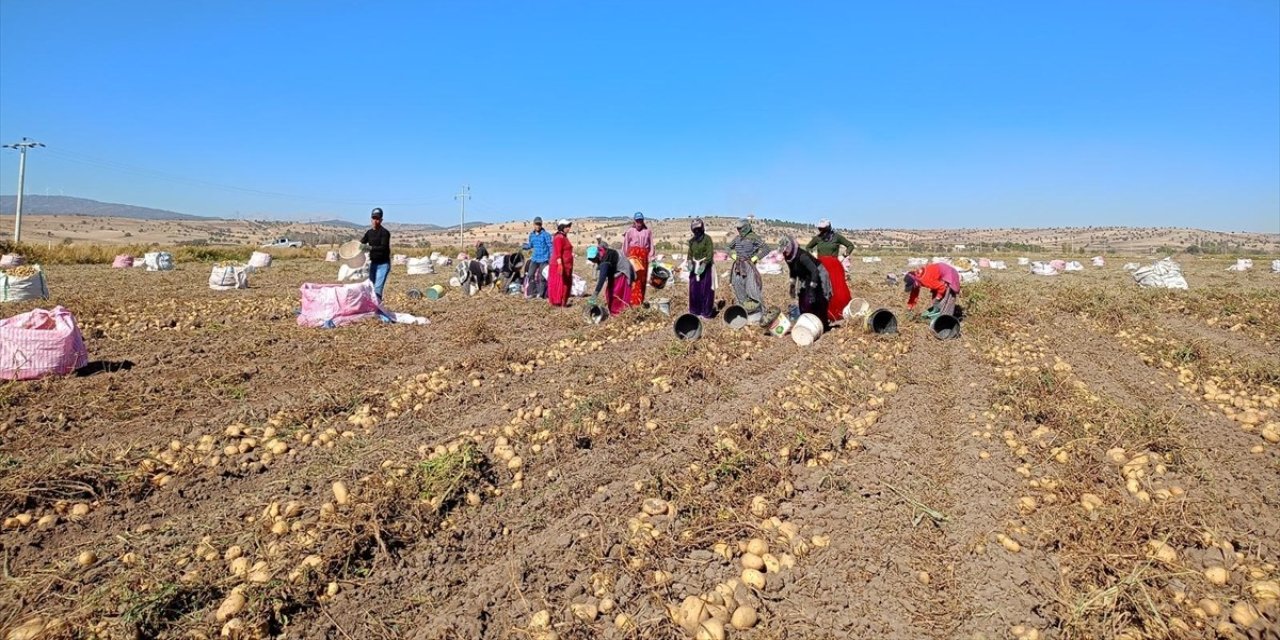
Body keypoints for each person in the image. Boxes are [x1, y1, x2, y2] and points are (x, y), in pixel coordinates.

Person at [805, 219, 854, 322]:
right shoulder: (818, 238)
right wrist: (813, 255)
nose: (821, 230)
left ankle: (838, 311)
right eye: (820, 228)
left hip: (834, 266)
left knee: (837, 287)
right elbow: (808, 247)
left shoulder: (837, 237)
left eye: (823, 228)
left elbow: (850, 245)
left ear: (828, 227)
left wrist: (843, 256)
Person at [780, 235, 832, 329]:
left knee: (820, 297)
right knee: (803, 297)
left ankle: (823, 323)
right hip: (805, 275)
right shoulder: (788, 257)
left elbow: (814, 271)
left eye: (785, 250)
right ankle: (807, 321)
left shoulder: (802, 256)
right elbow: (792, 271)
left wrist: (812, 289)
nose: (784, 253)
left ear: (790, 247)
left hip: (817, 273)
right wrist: (792, 286)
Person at [727, 218, 765, 312]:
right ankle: (743, 310)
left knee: (752, 288)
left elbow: (766, 249)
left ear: (746, 227)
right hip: (738, 266)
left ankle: (760, 311)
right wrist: (732, 254)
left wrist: (756, 257)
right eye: (738, 228)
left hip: (749, 265)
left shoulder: (754, 237)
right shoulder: (737, 238)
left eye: (741, 228)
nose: (739, 230)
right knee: (738, 285)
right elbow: (728, 247)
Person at [586, 242, 634, 316]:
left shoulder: (605, 261)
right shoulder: (601, 251)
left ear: (597, 255)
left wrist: (595, 295)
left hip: (622, 272)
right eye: (591, 259)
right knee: (609, 293)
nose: (592, 261)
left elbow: (602, 279)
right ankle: (616, 311)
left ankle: (619, 313)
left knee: (616, 294)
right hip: (615, 270)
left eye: (593, 259)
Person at [622, 212, 654, 306]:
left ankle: (640, 301)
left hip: (643, 258)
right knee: (634, 279)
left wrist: (651, 257)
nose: (639, 223)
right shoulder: (630, 231)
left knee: (642, 279)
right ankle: (632, 302)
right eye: (637, 221)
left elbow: (651, 245)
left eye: (640, 220)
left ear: (643, 221)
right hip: (633, 258)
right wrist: (625, 258)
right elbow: (625, 245)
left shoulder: (647, 231)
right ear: (634, 221)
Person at [686, 218, 716, 318]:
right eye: (695, 230)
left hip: (706, 268)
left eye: (698, 229)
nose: (697, 231)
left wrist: (704, 264)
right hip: (695, 267)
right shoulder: (691, 241)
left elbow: (710, 253)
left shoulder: (707, 239)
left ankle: (706, 312)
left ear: (702, 228)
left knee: (706, 290)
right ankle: (695, 311)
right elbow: (690, 254)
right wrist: (689, 262)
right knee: (694, 290)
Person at [360, 207, 391, 301]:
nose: (375, 221)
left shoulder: (385, 233)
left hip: (383, 264)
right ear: (371, 219)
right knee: (371, 287)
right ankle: (371, 307)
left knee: (377, 288)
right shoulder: (369, 233)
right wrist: (357, 246)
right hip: (373, 263)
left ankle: (377, 309)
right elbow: (362, 243)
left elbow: (383, 247)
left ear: (381, 220)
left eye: (377, 219)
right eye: (374, 218)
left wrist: (369, 248)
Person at [548, 219, 574, 307]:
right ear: (562, 227)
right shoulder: (559, 237)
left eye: (569, 226)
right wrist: (560, 264)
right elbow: (558, 253)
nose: (569, 228)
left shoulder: (564, 237)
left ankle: (563, 302)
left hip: (566, 265)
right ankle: (557, 302)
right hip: (559, 265)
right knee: (560, 284)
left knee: (566, 283)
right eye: (567, 227)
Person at [525, 217, 553, 299]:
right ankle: (533, 292)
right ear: (533, 225)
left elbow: (550, 246)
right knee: (530, 275)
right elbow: (531, 245)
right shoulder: (532, 235)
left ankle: (540, 295)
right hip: (534, 259)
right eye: (536, 224)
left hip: (544, 259)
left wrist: (551, 257)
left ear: (541, 225)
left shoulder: (546, 235)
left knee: (542, 277)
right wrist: (525, 246)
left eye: (539, 224)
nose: (538, 226)